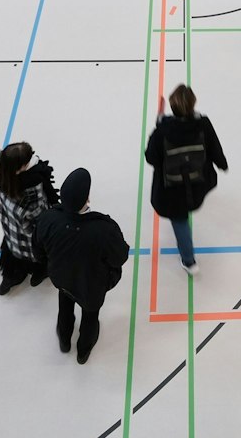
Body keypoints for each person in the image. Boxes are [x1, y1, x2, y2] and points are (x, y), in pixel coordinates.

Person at [34, 168, 129, 364]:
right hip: (90, 286)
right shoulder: (104, 229)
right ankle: (84, 349)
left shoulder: (48, 218)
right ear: (87, 199)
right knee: (90, 315)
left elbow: (38, 250)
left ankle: (64, 338)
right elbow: (119, 257)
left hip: (61, 278)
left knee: (65, 304)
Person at [145, 84, 229, 276]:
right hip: (197, 184)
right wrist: (222, 165)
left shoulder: (163, 130)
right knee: (184, 211)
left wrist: (159, 123)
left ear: (172, 107)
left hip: (171, 190)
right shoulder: (203, 124)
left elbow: (151, 158)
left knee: (179, 220)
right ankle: (189, 261)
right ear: (193, 104)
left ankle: (189, 262)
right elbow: (215, 148)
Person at [0, 142, 57, 295]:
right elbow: (40, 221)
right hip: (27, 237)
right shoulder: (32, 192)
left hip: (9, 227)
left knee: (12, 252)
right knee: (36, 254)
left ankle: (12, 276)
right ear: (20, 168)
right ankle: (38, 272)